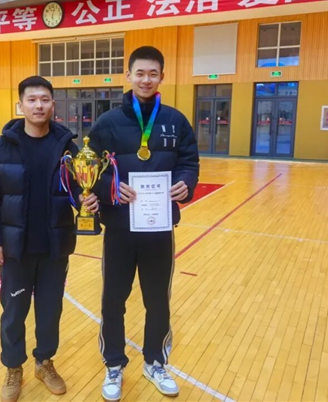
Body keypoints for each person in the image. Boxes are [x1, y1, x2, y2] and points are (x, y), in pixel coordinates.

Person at [0, 76, 99, 402]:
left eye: (44, 99)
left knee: (49, 311)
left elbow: (79, 187)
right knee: (13, 312)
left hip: (55, 246)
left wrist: (88, 198)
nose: (39, 105)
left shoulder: (67, 146)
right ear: (21, 105)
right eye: (32, 100)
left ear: (53, 104)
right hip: (15, 248)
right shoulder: (1, 147)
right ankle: (13, 367)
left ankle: (44, 363)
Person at [89, 46, 200, 401]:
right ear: (129, 75)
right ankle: (113, 365)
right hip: (120, 229)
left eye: (153, 74)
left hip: (159, 229)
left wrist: (186, 183)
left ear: (162, 77)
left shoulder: (176, 121)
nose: (146, 79)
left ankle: (155, 362)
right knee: (113, 300)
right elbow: (89, 166)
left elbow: (189, 162)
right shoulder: (107, 123)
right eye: (140, 73)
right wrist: (109, 187)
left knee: (158, 300)